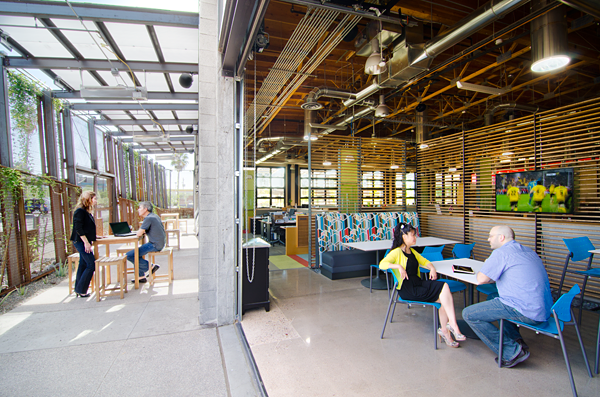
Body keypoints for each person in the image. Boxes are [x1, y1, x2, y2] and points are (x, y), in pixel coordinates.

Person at [462, 226, 553, 368]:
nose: (488, 239)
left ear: (501, 237)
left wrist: (487, 266)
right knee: (493, 296)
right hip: (543, 309)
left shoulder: (501, 253)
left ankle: (512, 352)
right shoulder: (528, 251)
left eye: (491, 236)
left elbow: (481, 279)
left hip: (526, 310)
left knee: (469, 314)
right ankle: (515, 339)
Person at [379, 223, 465, 348]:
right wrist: (397, 266)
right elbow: (382, 264)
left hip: (419, 284)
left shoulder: (412, 251)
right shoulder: (396, 252)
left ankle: (449, 326)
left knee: (444, 290)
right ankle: (448, 329)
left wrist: (432, 268)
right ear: (404, 236)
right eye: (413, 235)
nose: (415, 238)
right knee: (444, 297)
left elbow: (425, 262)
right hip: (408, 289)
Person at [70, 191, 103, 298]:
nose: (96, 200)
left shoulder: (86, 211)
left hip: (84, 241)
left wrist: (94, 237)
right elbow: (78, 228)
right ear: (88, 199)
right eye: (94, 198)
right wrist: (86, 242)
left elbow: (86, 228)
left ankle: (78, 289)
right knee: (91, 264)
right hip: (80, 242)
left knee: (83, 264)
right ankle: (82, 289)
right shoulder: (80, 211)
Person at [126, 201, 166, 283]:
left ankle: (150, 267)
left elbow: (139, 233)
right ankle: (141, 276)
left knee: (129, 255)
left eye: (140, 208)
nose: (138, 210)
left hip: (154, 245)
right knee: (136, 254)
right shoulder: (154, 216)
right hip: (159, 243)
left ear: (145, 209)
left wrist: (139, 231)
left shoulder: (148, 218)